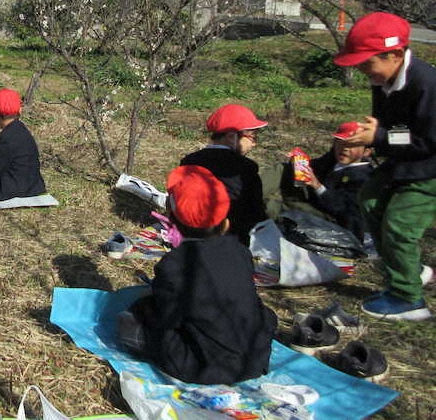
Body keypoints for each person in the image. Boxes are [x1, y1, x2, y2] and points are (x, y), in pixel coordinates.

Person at [117, 164, 277, 384]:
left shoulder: (174, 265)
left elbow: (166, 318)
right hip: (255, 359)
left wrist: (143, 308)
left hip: (201, 367)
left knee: (130, 323)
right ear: (225, 222)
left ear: (171, 223)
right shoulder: (239, 251)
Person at [333, 12, 436, 321]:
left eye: (368, 64)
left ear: (394, 54)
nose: (365, 72)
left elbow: (427, 140)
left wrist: (379, 136)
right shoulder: (384, 80)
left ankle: (408, 299)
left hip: (428, 169)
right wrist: (370, 135)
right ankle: (411, 270)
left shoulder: (426, 85)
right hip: (401, 161)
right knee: (370, 200)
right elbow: (389, 126)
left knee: (399, 225)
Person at [180, 103, 268, 244]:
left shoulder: (189, 161)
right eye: (252, 137)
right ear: (231, 137)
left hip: (191, 235)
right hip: (234, 239)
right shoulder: (247, 168)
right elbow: (256, 213)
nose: (254, 144)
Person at [279, 121, 373, 242]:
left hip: (337, 225)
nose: (344, 149)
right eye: (340, 143)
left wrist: (317, 186)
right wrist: (299, 162)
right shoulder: (333, 159)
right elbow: (315, 165)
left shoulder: (364, 177)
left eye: (352, 145)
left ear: (366, 151)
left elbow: (342, 209)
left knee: (280, 205)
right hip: (314, 205)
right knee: (280, 170)